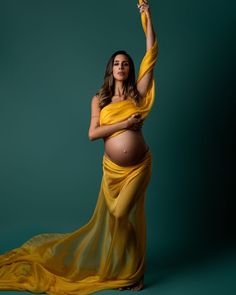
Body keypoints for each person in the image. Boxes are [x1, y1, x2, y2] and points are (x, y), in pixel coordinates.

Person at [0, 1, 158, 294]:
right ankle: (127, 269)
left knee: (124, 215)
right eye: (116, 63)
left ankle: (135, 272)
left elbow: (152, 53)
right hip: (112, 171)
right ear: (110, 69)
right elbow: (93, 133)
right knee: (120, 220)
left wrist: (146, 16)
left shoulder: (138, 93)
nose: (121, 67)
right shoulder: (99, 99)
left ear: (130, 68)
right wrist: (125, 125)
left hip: (139, 167)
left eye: (125, 63)